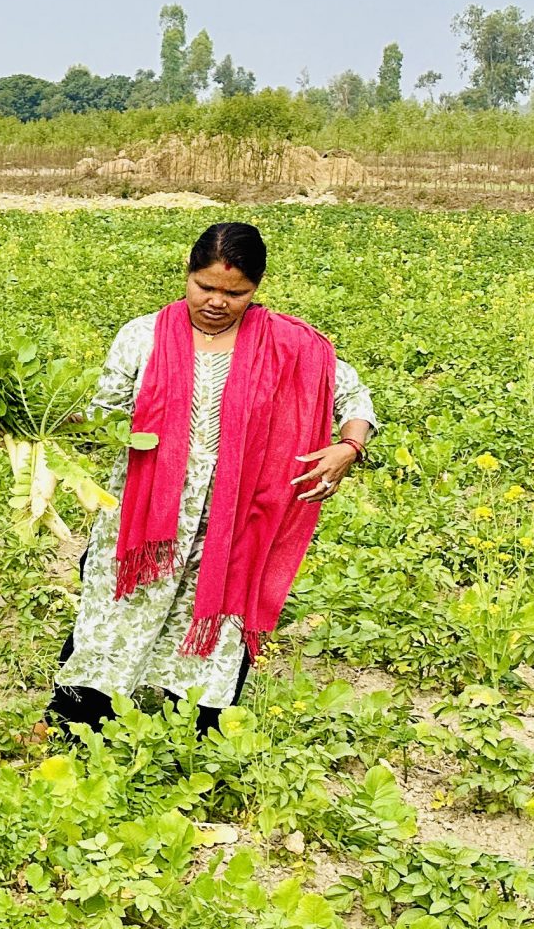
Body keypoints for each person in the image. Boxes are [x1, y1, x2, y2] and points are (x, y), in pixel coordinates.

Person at [49, 222, 377, 736]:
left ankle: (200, 734)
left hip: (237, 517)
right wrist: (38, 419)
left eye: (236, 293)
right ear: (188, 273)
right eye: (206, 286)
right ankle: (79, 722)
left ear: (257, 288)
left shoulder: (289, 344)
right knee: (116, 612)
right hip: (149, 515)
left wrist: (348, 446)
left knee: (219, 618)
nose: (218, 302)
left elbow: (353, 398)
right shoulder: (143, 336)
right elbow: (102, 414)